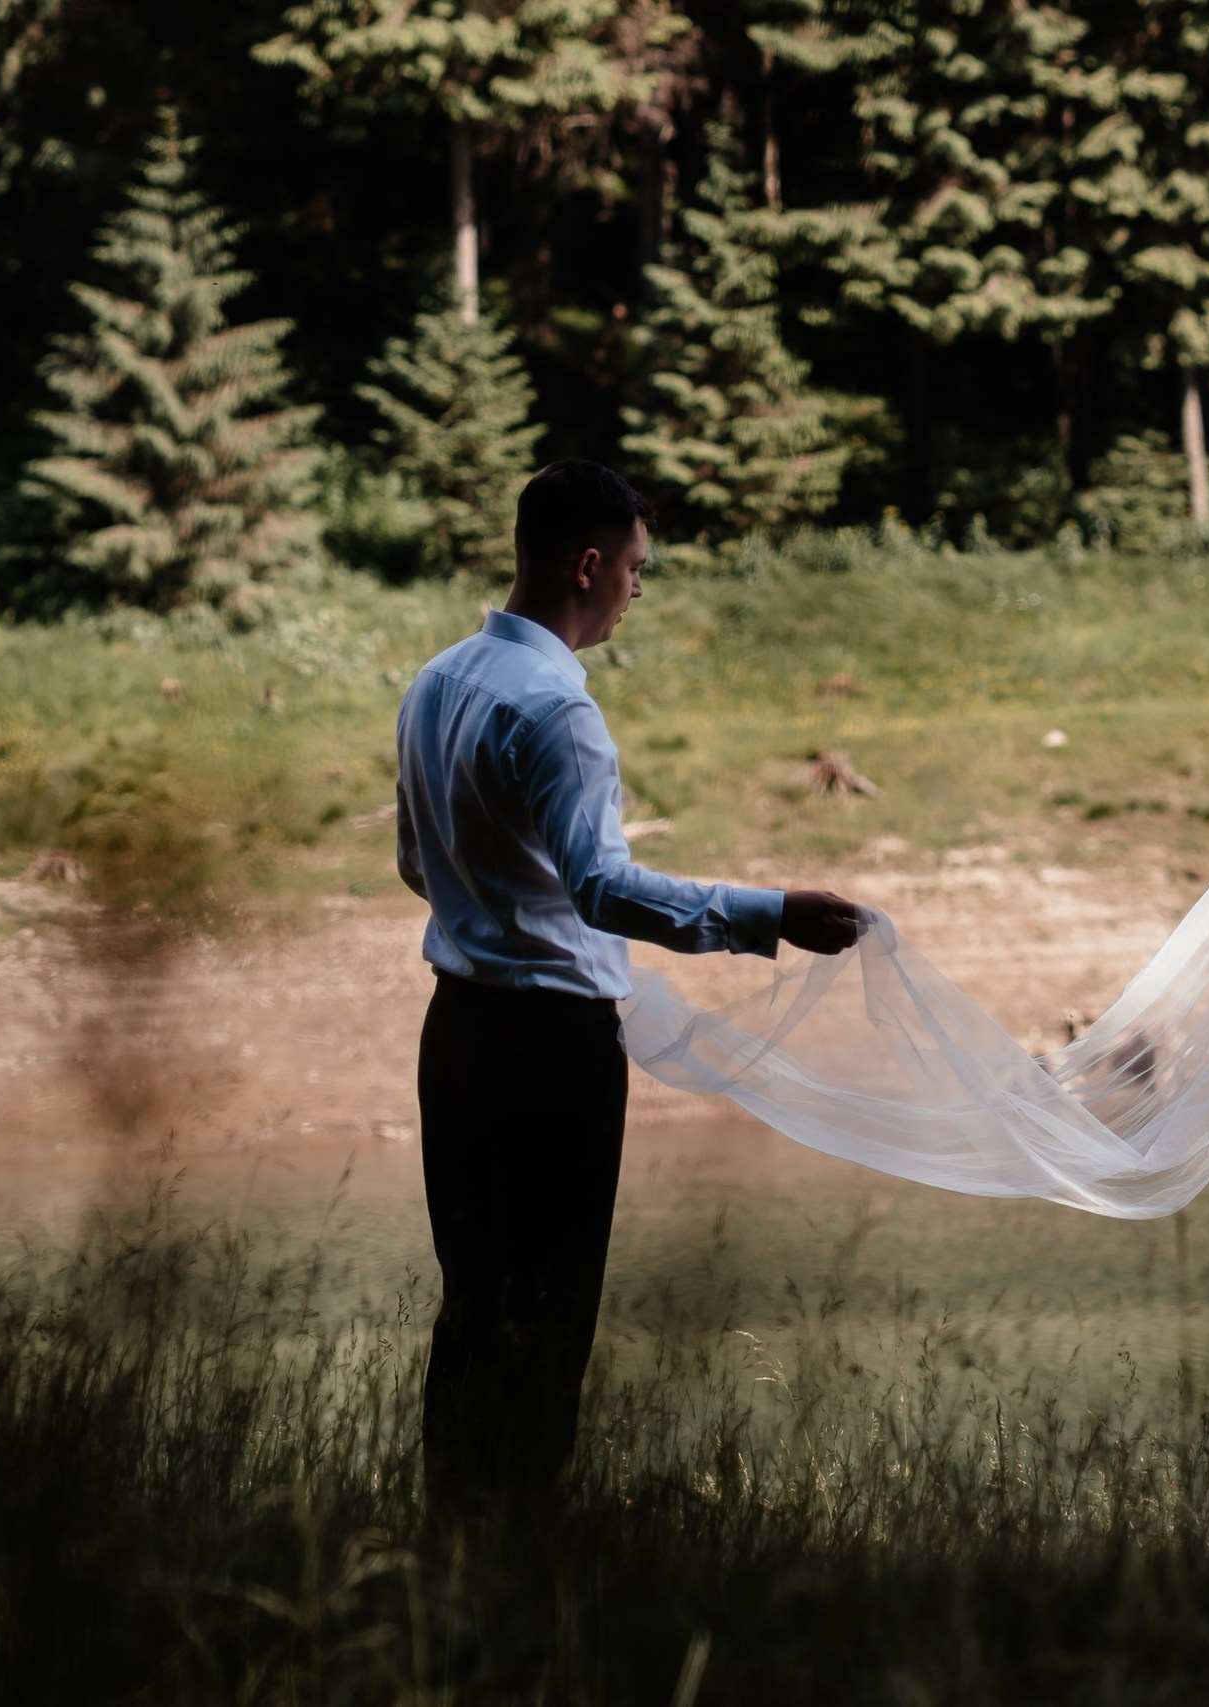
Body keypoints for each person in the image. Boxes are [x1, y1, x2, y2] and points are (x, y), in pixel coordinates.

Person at [394, 459, 861, 1508]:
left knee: (474, 1304)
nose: (637, 590)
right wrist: (771, 912)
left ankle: (452, 1537)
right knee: (546, 1311)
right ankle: (521, 1539)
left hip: (455, 1034)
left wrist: (495, 913)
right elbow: (602, 889)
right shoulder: (558, 710)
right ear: (588, 564)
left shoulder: (438, 679)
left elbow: (417, 863)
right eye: (636, 569)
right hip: (547, 1053)